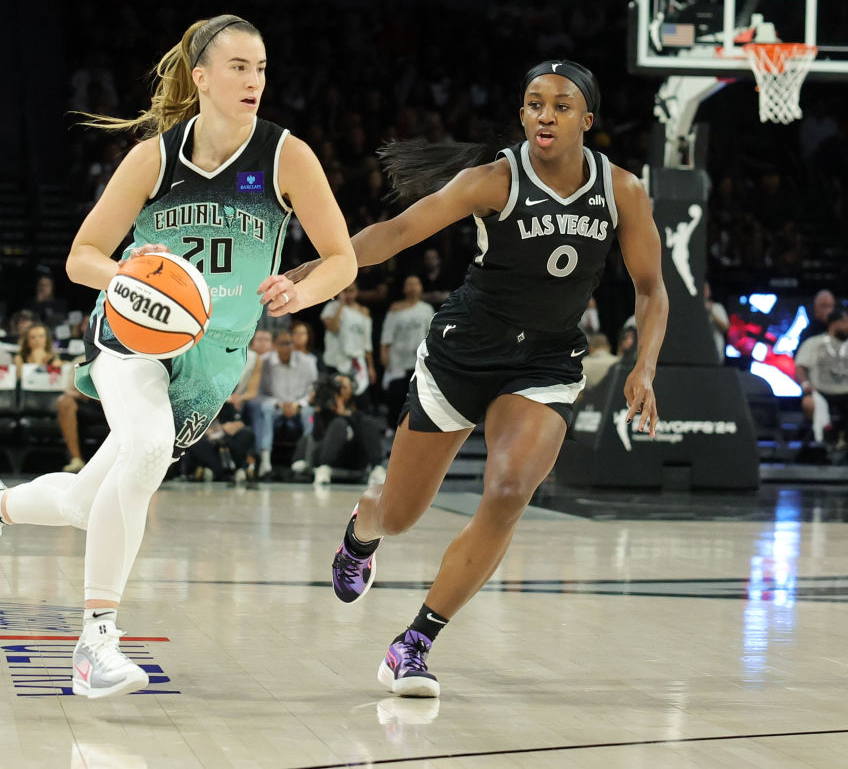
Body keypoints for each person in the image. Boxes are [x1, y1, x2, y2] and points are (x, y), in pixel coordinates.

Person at [0, 14, 355, 700]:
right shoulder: (155, 157)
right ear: (202, 77)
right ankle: (96, 641)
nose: (254, 81)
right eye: (238, 67)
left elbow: (341, 260)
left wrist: (298, 292)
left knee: (92, 504)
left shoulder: (285, 157)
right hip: (134, 336)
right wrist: (130, 279)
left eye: (262, 68)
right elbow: (82, 257)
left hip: (213, 362)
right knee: (146, 449)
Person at [291, 60, 668, 697]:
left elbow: (652, 289)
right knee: (401, 514)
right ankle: (363, 527)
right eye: (534, 103)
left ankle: (415, 641)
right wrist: (321, 270)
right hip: (463, 355)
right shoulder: (493, 179)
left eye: (561, 105)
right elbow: (401, 230)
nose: (545, 114)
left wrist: (645, 365)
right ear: (522, 116)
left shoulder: (623, 190)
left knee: (509, 489)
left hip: (545, 362)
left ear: (587, 120)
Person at [245, 328, 317, 477]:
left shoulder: (308, 361)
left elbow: (313, 390)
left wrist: (298, 405)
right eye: (282, 343)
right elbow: (257, 393)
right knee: (264, 408)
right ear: (275, 345)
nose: (286, 347)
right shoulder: (264, 361)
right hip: (274, 407)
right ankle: (265, 462)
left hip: (299, 408)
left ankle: (307, 460)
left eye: (289, 343)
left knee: (310, 413)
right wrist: (278, 404)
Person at [379, 275, 434, 431]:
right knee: (396, 394)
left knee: (417, 396)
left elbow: (432, 333)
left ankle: (414, 427)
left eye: (416, 284)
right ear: (403, 289)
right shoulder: (395, 309)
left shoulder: (426, 309)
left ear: (421, 288)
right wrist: (384, 354)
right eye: (409, 284)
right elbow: (387, 335)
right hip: (397, 359)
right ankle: (392, 426)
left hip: (418, 360)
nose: (413, 287)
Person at [795, 309, 848, 449]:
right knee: (809, 403)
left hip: (845, 391)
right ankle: (822, 441)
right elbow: (800, 367)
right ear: (834, 323)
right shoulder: (813, 343)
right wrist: (805, 385)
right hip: (820, 391)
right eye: (845, 322)